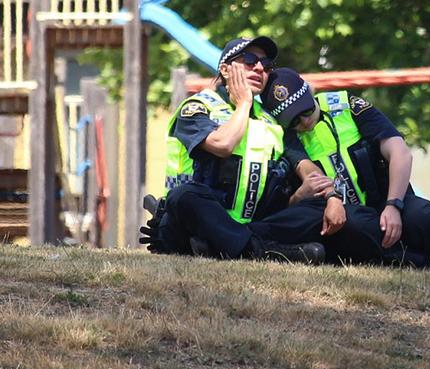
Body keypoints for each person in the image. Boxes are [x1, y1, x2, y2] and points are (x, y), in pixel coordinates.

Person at [139, 37, 384, 266]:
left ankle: (230, 247)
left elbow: (307, 168)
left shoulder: (272, 119)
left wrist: (331, 197)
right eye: (249, 61)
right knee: (185, 195)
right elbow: (222, 145)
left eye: (266, 65)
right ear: (225, 69)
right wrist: (243, 102)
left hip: (255, 224)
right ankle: (265, 252)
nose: (259, 68)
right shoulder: (197, 107)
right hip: (194, 222)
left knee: (322, 212)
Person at [260, 67, 430, 274]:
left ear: (310, 92)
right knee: (357, 228)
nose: (303, 122)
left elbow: (399, 152)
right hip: (349, 217)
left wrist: (393, 205)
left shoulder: (348, 107)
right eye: (293, 120)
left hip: (388, 200)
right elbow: (308, 172)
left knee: (427, 216)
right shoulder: (287, 137)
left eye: (305, 111)